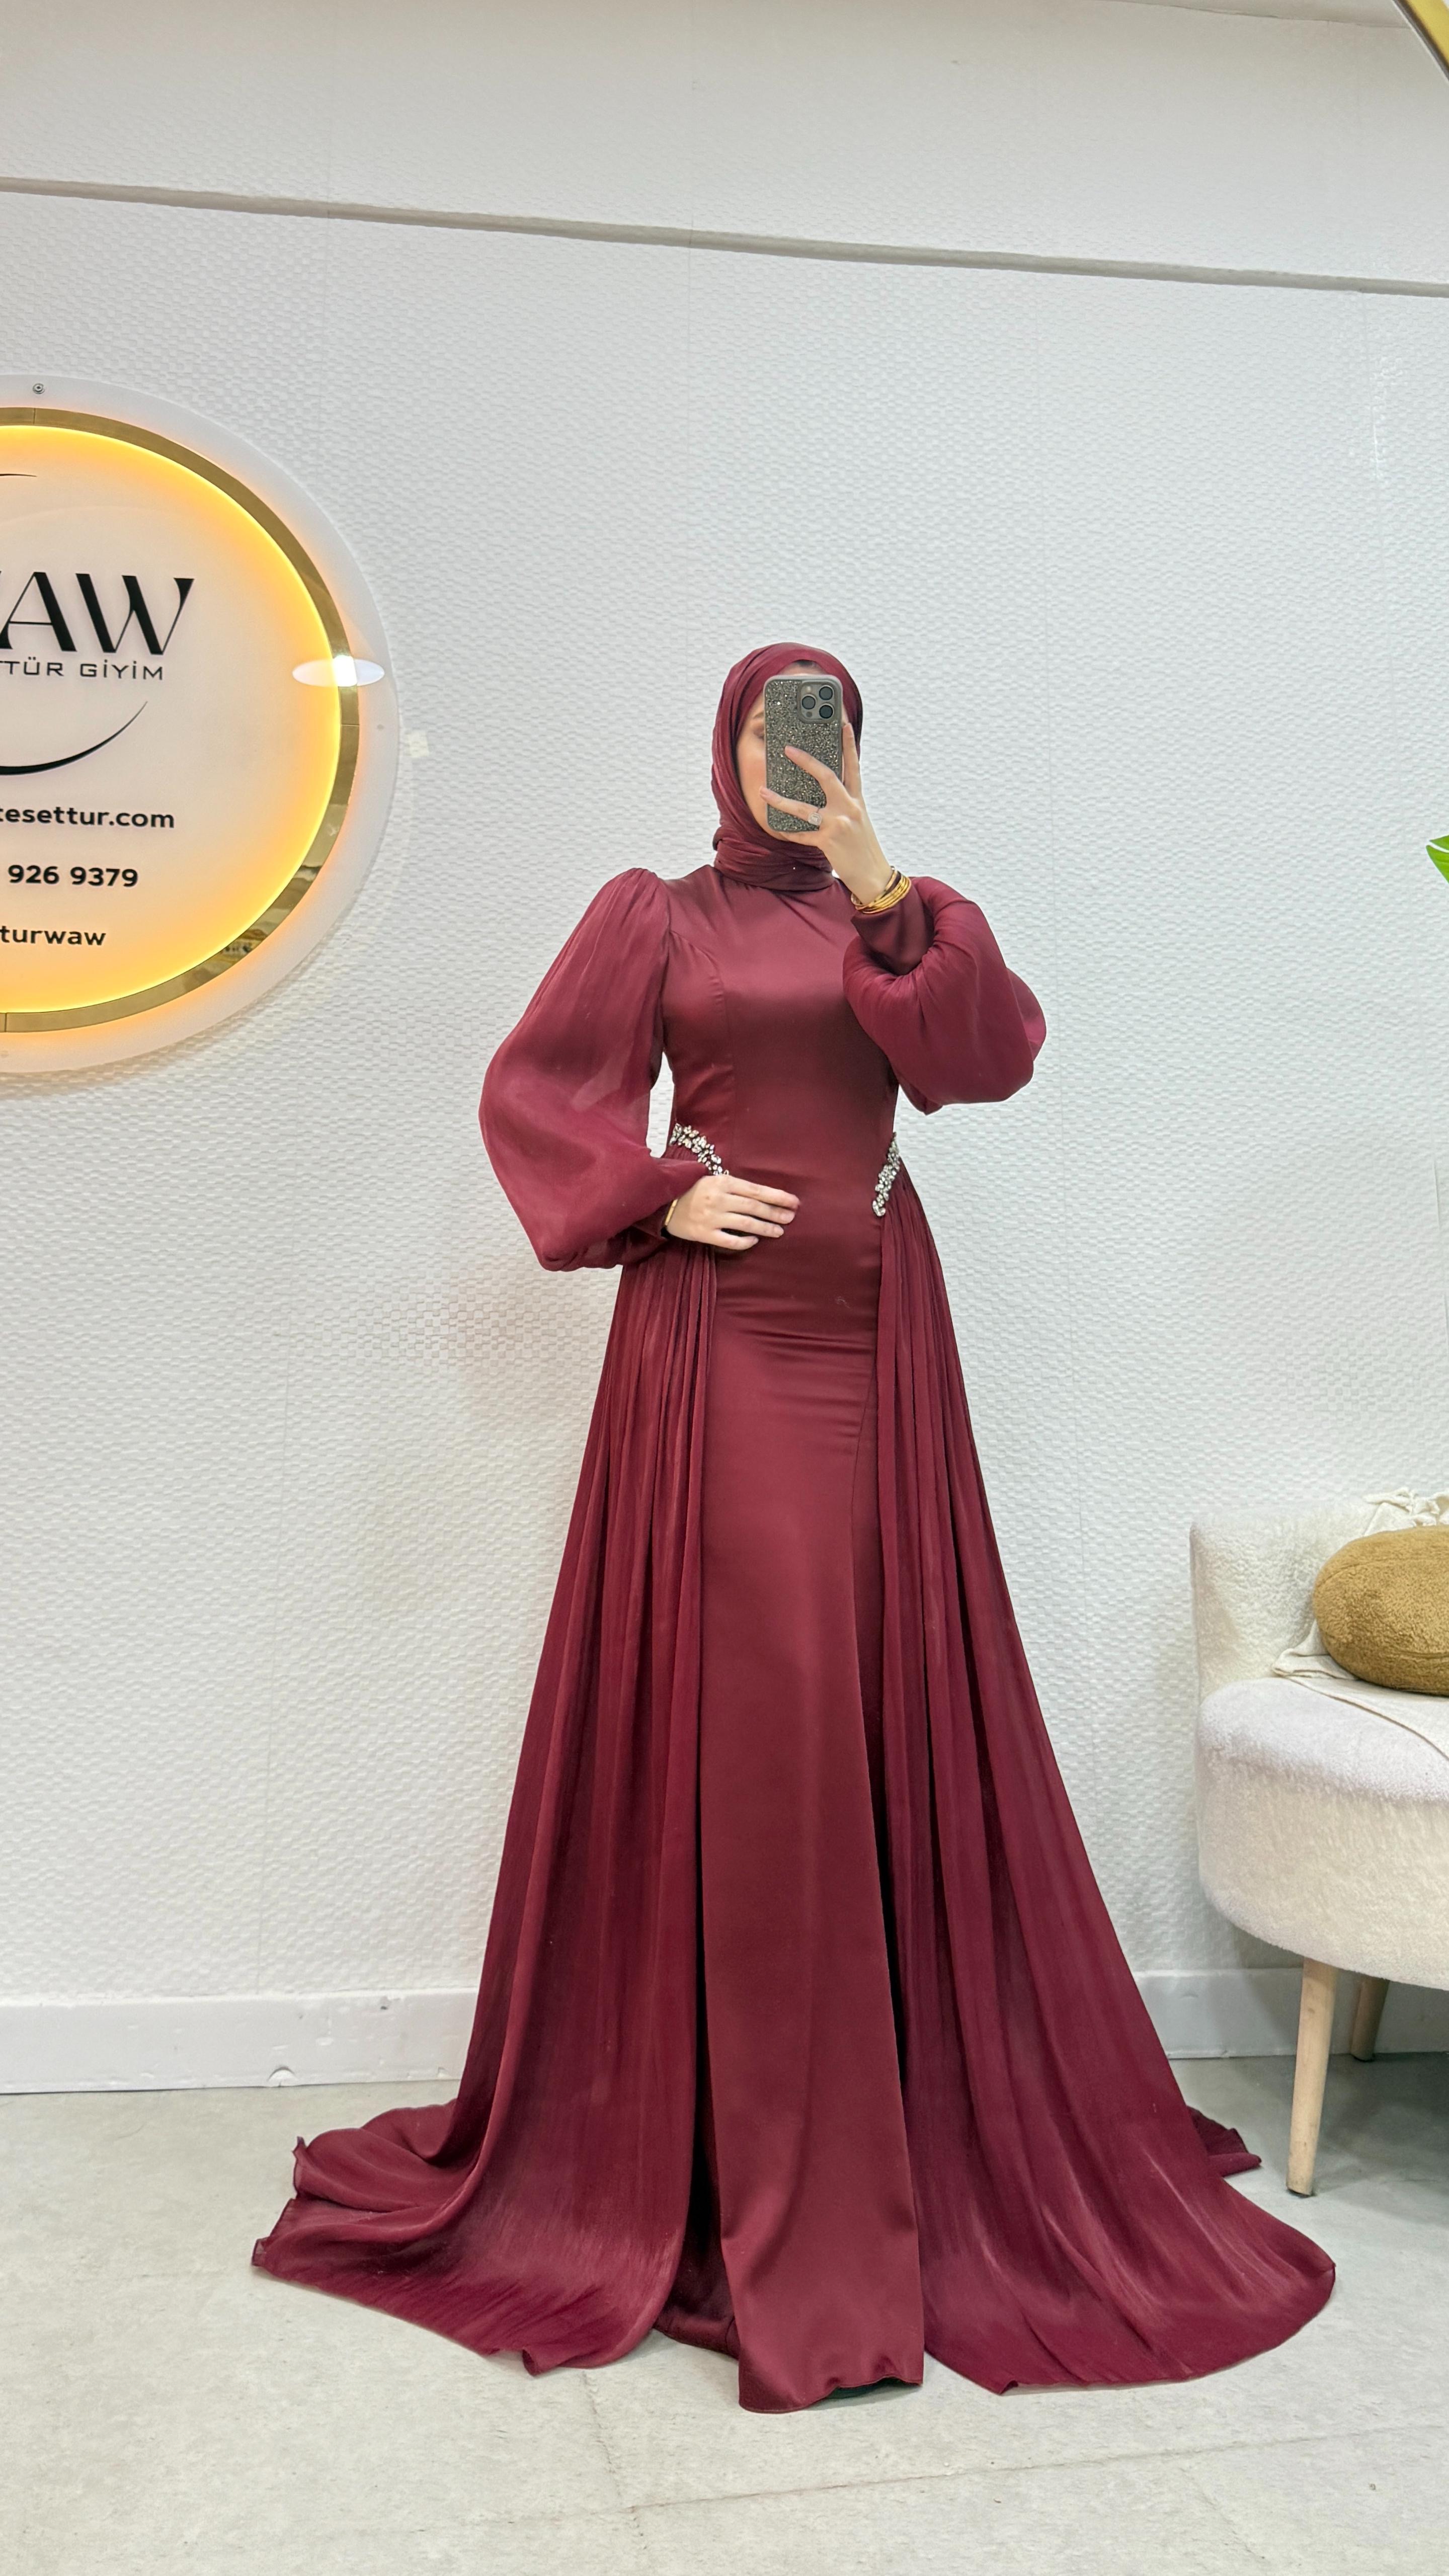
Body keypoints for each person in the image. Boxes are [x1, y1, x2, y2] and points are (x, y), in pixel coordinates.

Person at [253, 640, 1332, 2413]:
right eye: (769, 725)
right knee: (774, 1709)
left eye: (819, 726)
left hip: (883, 1337)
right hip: (722, 1343)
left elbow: (982, 1065)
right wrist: (665, 1191)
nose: (790, 752)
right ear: (725, 742)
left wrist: (882, 878)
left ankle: (885, 2122)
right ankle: (759, 2168)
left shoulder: (903, 921)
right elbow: (538, 1094)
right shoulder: (658, 915)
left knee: (872, 1687)